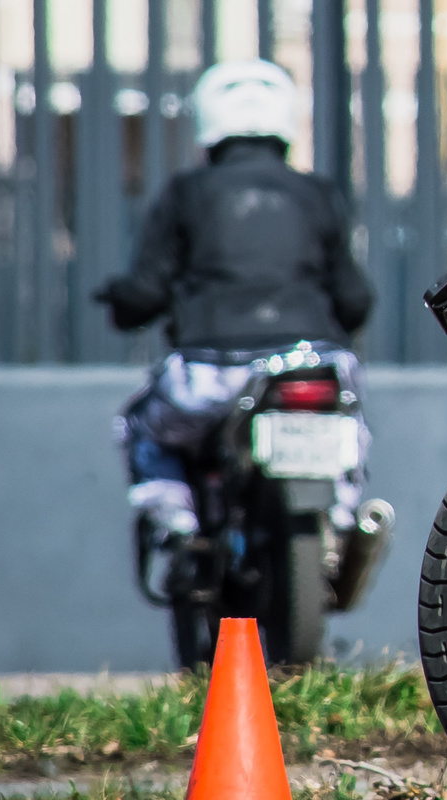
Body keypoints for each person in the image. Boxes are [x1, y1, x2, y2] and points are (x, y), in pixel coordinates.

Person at [100, 60, 384, 582]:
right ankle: (343, 523)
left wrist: (119, 298)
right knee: (346, 425)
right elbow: (355, 300)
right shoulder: (318, 194)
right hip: (311, 367)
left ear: (207, 124)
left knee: (141, 426)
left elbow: (145, 294)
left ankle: (179, 527)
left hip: (212, 374)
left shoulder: (186, 193)